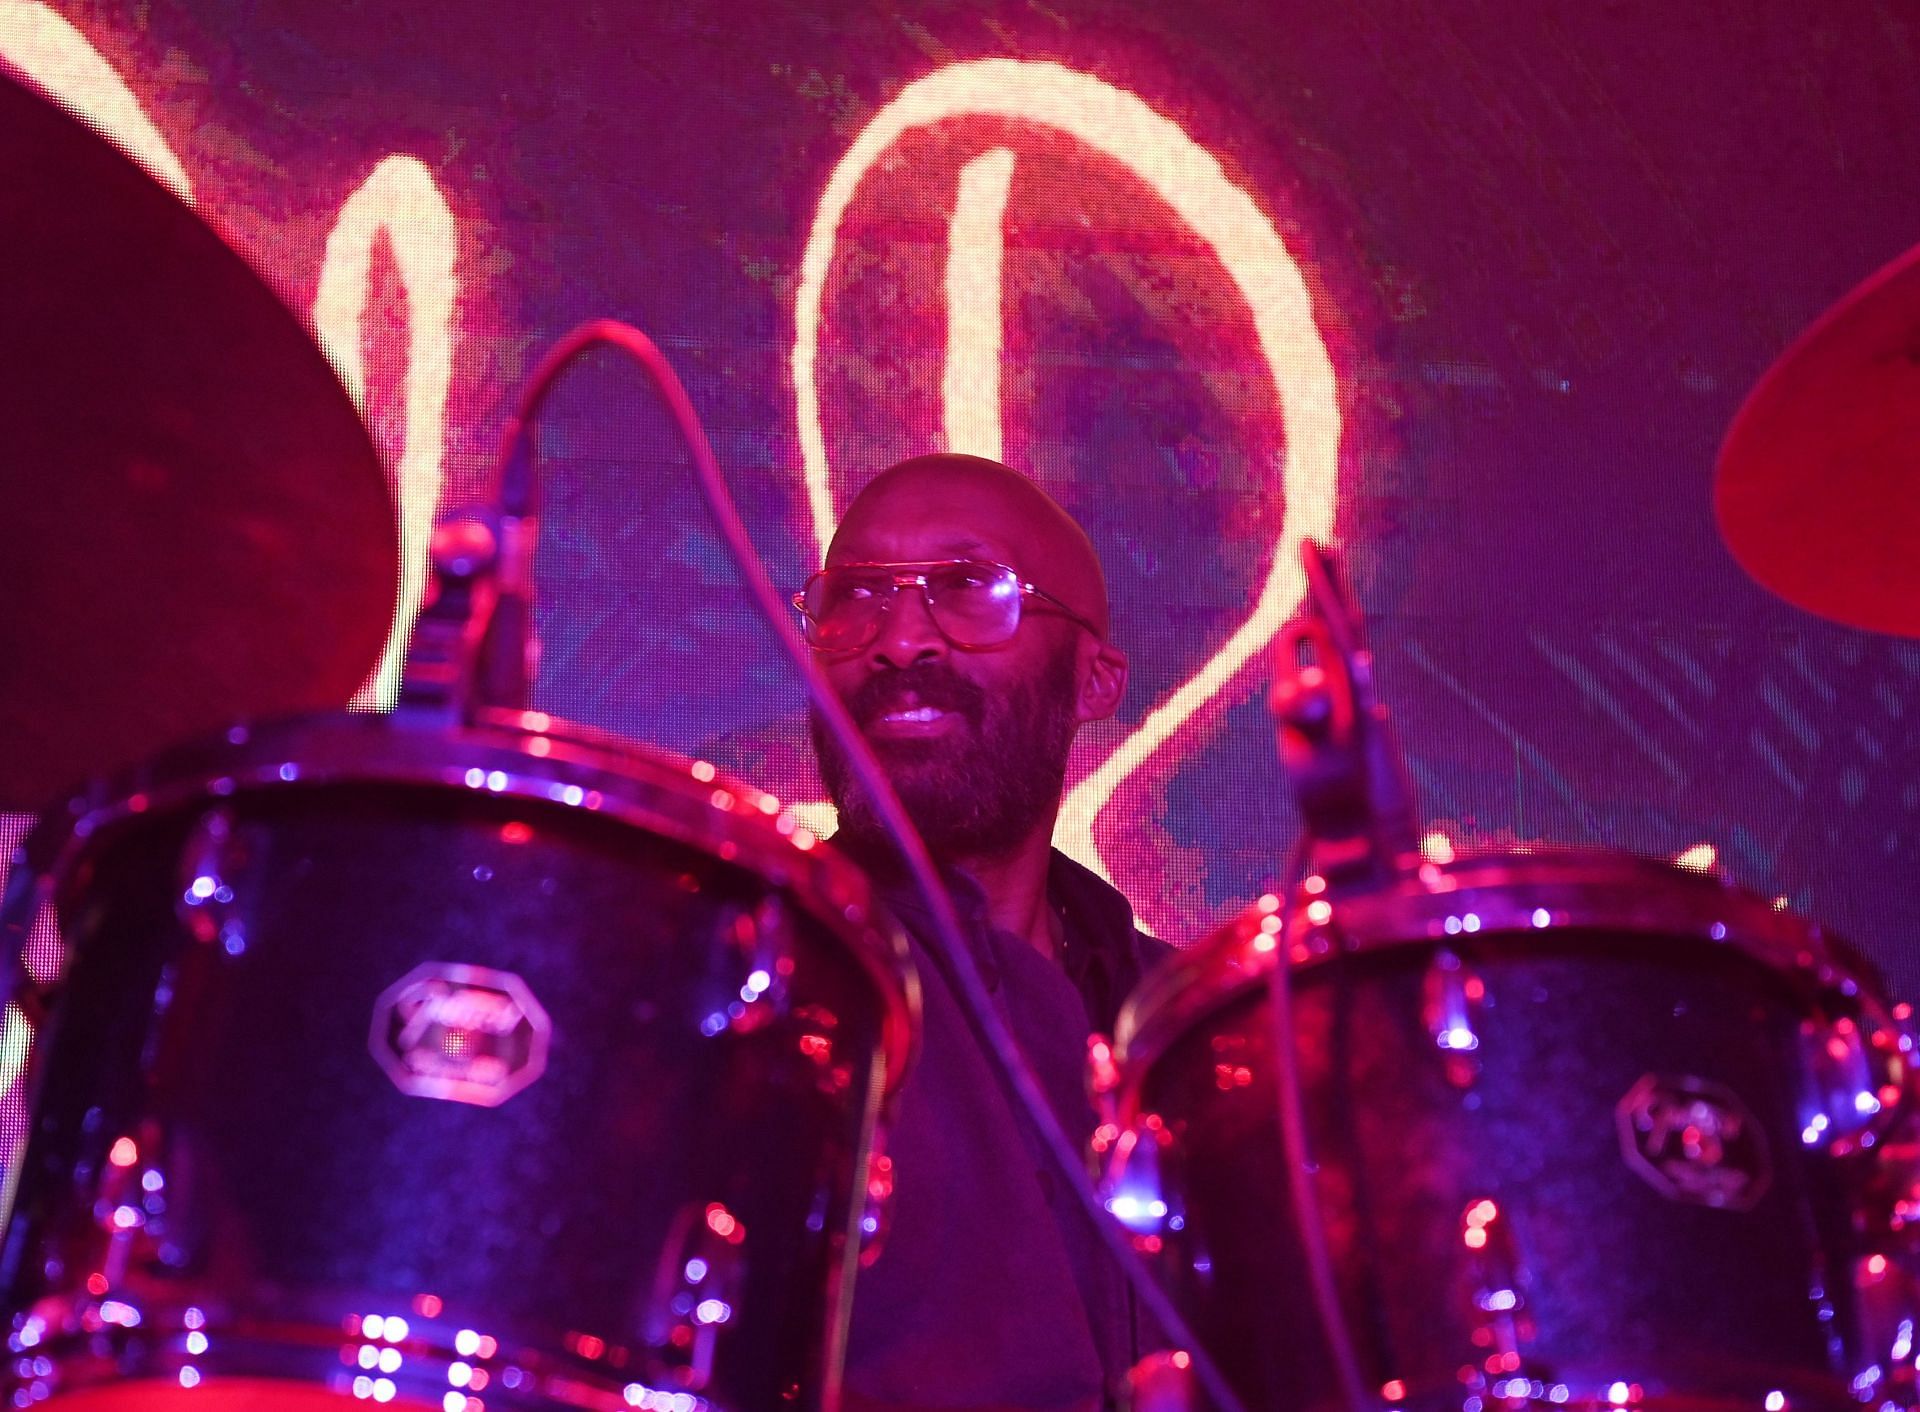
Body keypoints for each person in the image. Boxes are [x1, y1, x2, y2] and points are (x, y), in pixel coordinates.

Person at [797, 452, 1169, 1412]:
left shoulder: (1187, 1034)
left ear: (1096, 680)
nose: (900, 640)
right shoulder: (759, 978)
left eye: (970, 589)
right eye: (856, 599)